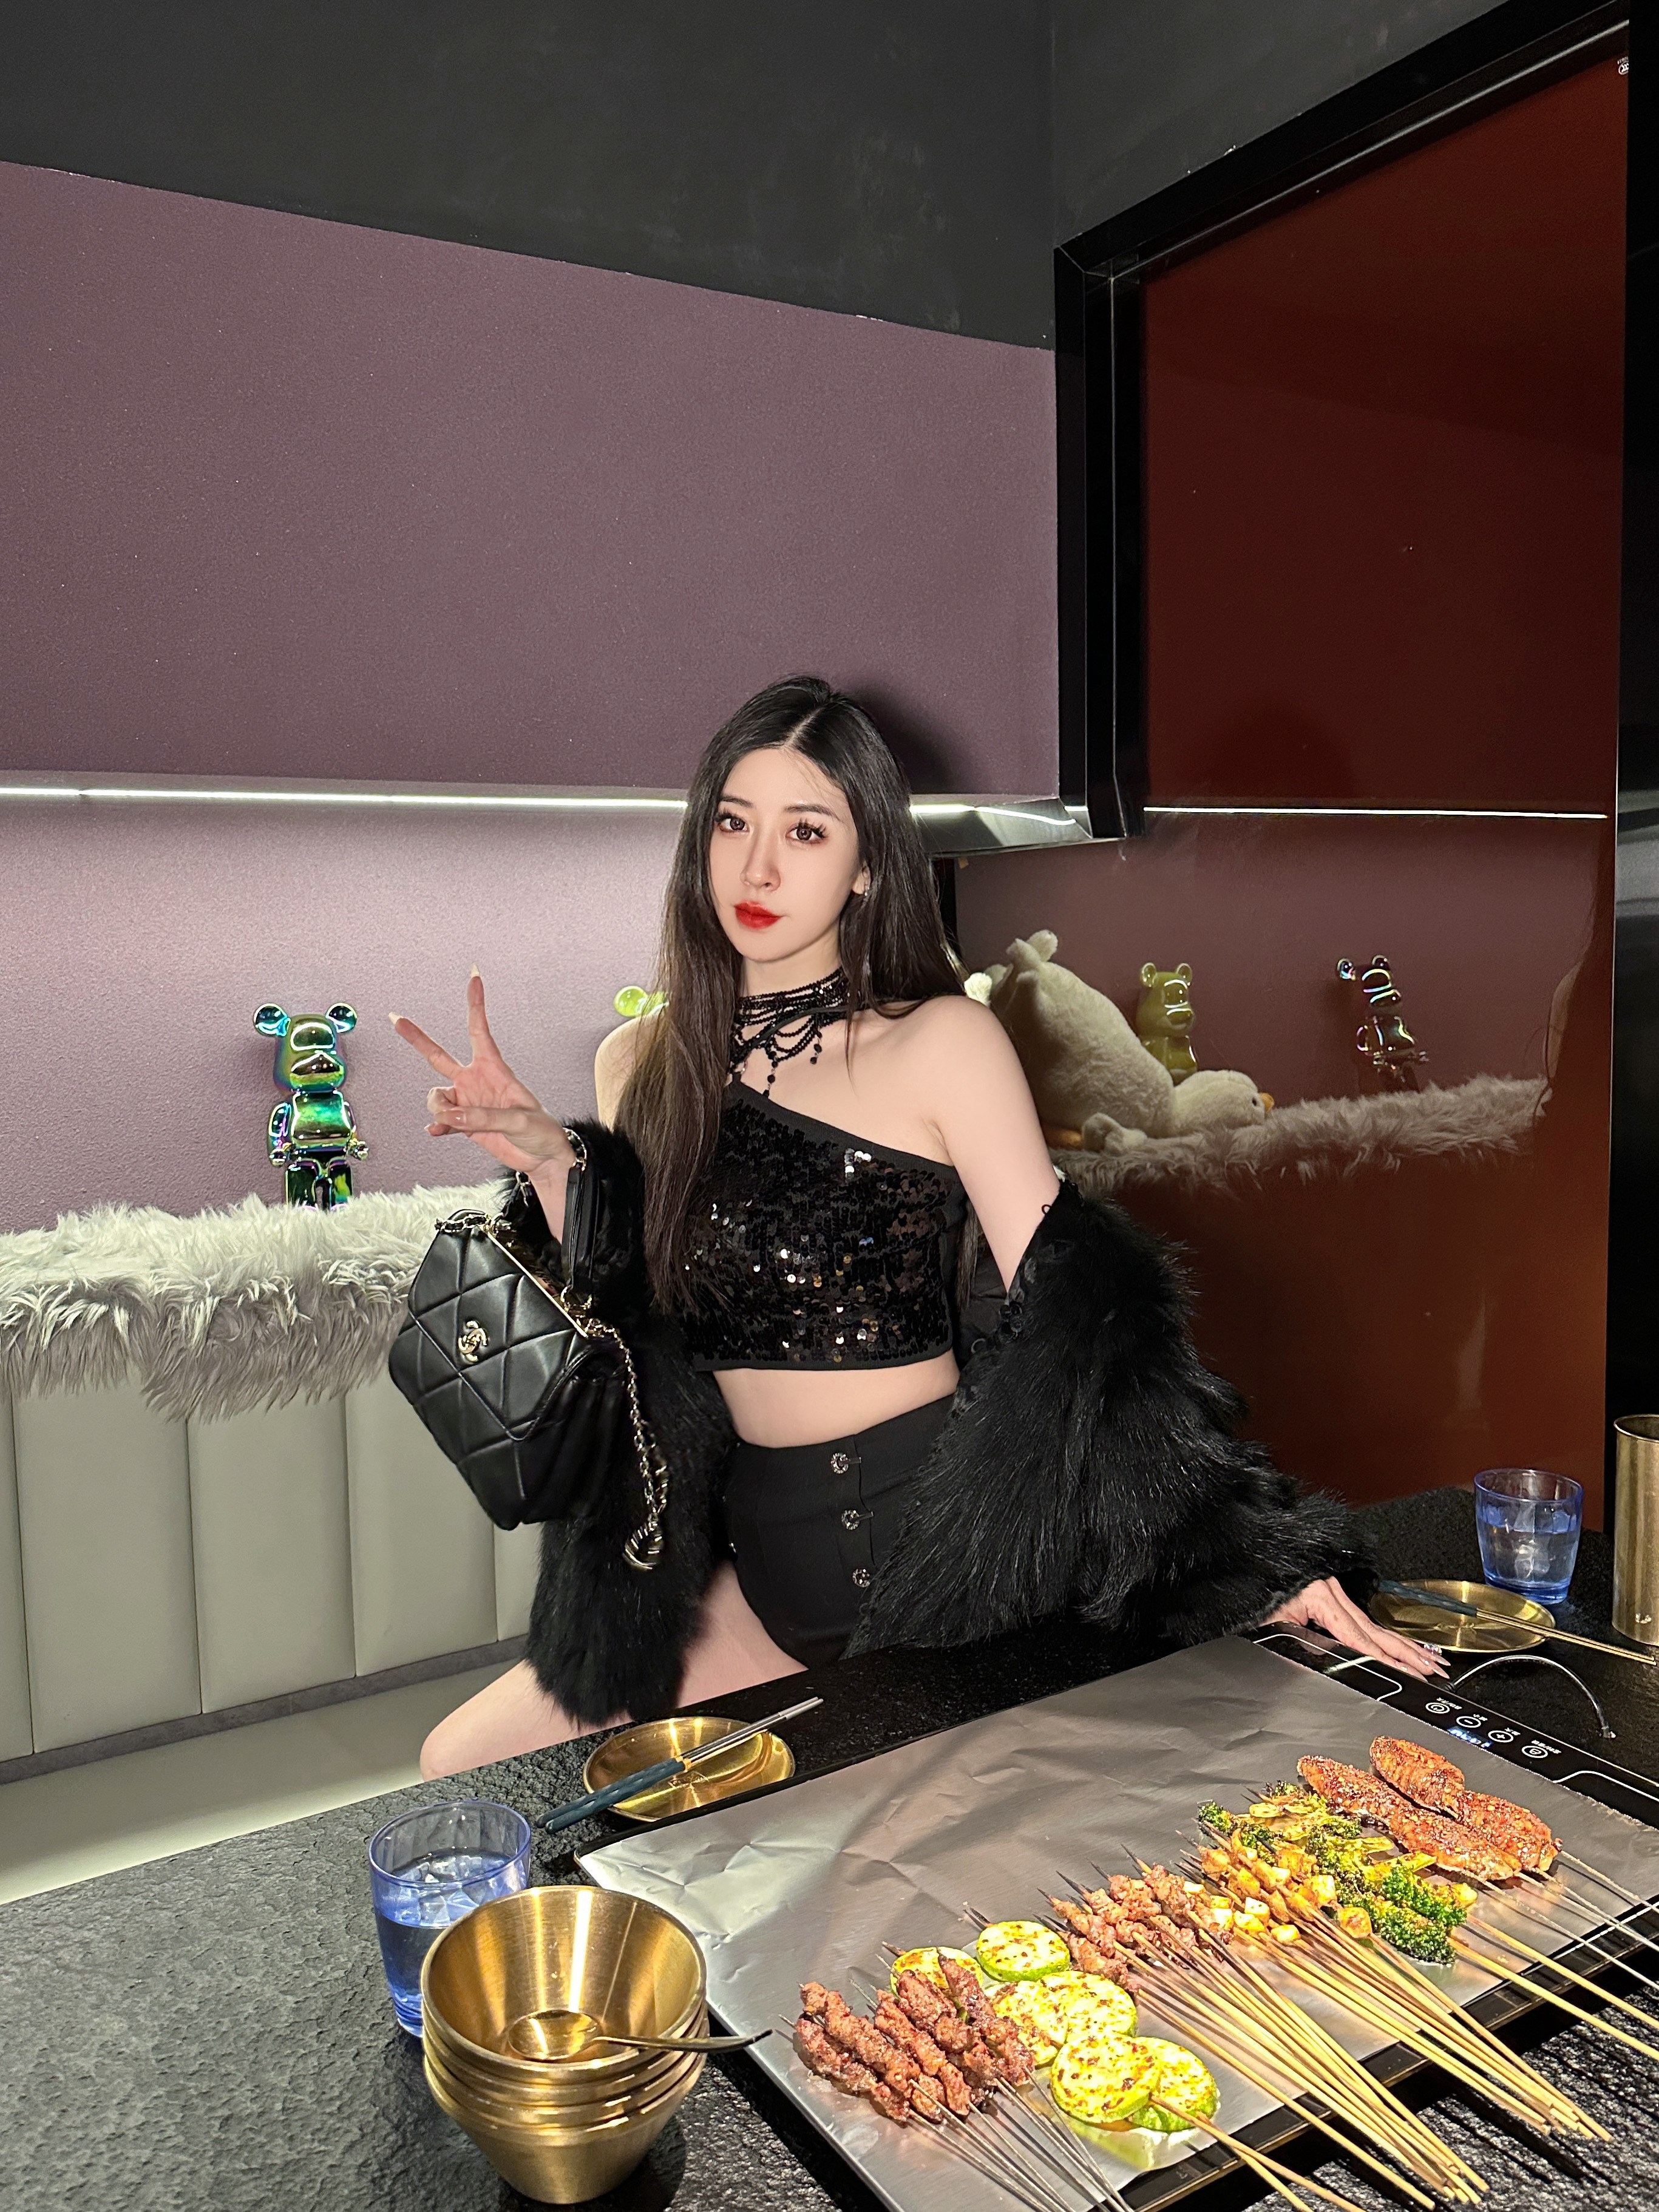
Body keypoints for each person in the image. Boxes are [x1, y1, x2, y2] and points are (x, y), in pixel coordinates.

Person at [395, 677, 1444, 1777]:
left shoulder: (940, 1042)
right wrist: (549, 1161)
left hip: (939, 1572)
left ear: (865, 866)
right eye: (733, 823)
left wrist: (1241, 1553)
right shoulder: (639, 1064)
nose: (758, 868)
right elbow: (639, 1327)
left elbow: (1081, 1307)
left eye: (806, 831)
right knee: (462, 1765)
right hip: (757, 1573)